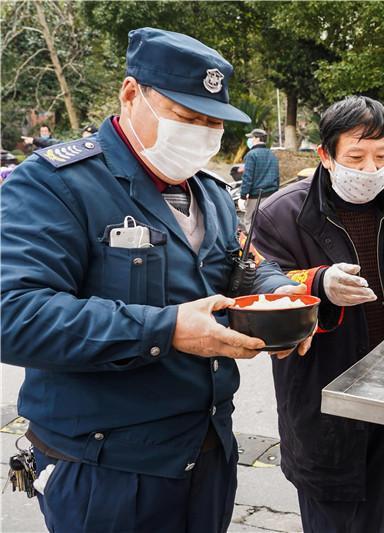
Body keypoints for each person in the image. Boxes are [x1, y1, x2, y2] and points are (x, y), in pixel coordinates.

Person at [1, 27, 310, 532]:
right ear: (131, 94)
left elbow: (237, 265)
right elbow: (13, 315)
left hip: (208, 450)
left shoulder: (209, 191)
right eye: (186, 117)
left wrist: (276, 293)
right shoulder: (56, 183)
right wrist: (165, 329)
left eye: (213, 123)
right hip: (107, 467)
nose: (200, 133)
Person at [252, 95, 384, 532]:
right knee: (330, 503)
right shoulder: (283, 213)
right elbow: (259, 282)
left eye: (381, 156)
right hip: (323, 388)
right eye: (356, 156)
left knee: (371, 503)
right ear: (326, 156)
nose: (370, 169)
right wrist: (318, 284)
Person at [239, 127, 279, 230]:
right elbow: (277, 176)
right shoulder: (272, 154)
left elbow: (247, 178)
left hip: (255, 196)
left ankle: (252, 244)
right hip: (271, 194)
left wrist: (243, 196)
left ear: (257, 139)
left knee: (250, 222)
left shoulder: (251, 155)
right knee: (267, 221)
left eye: (251, 137)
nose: (250, 140)